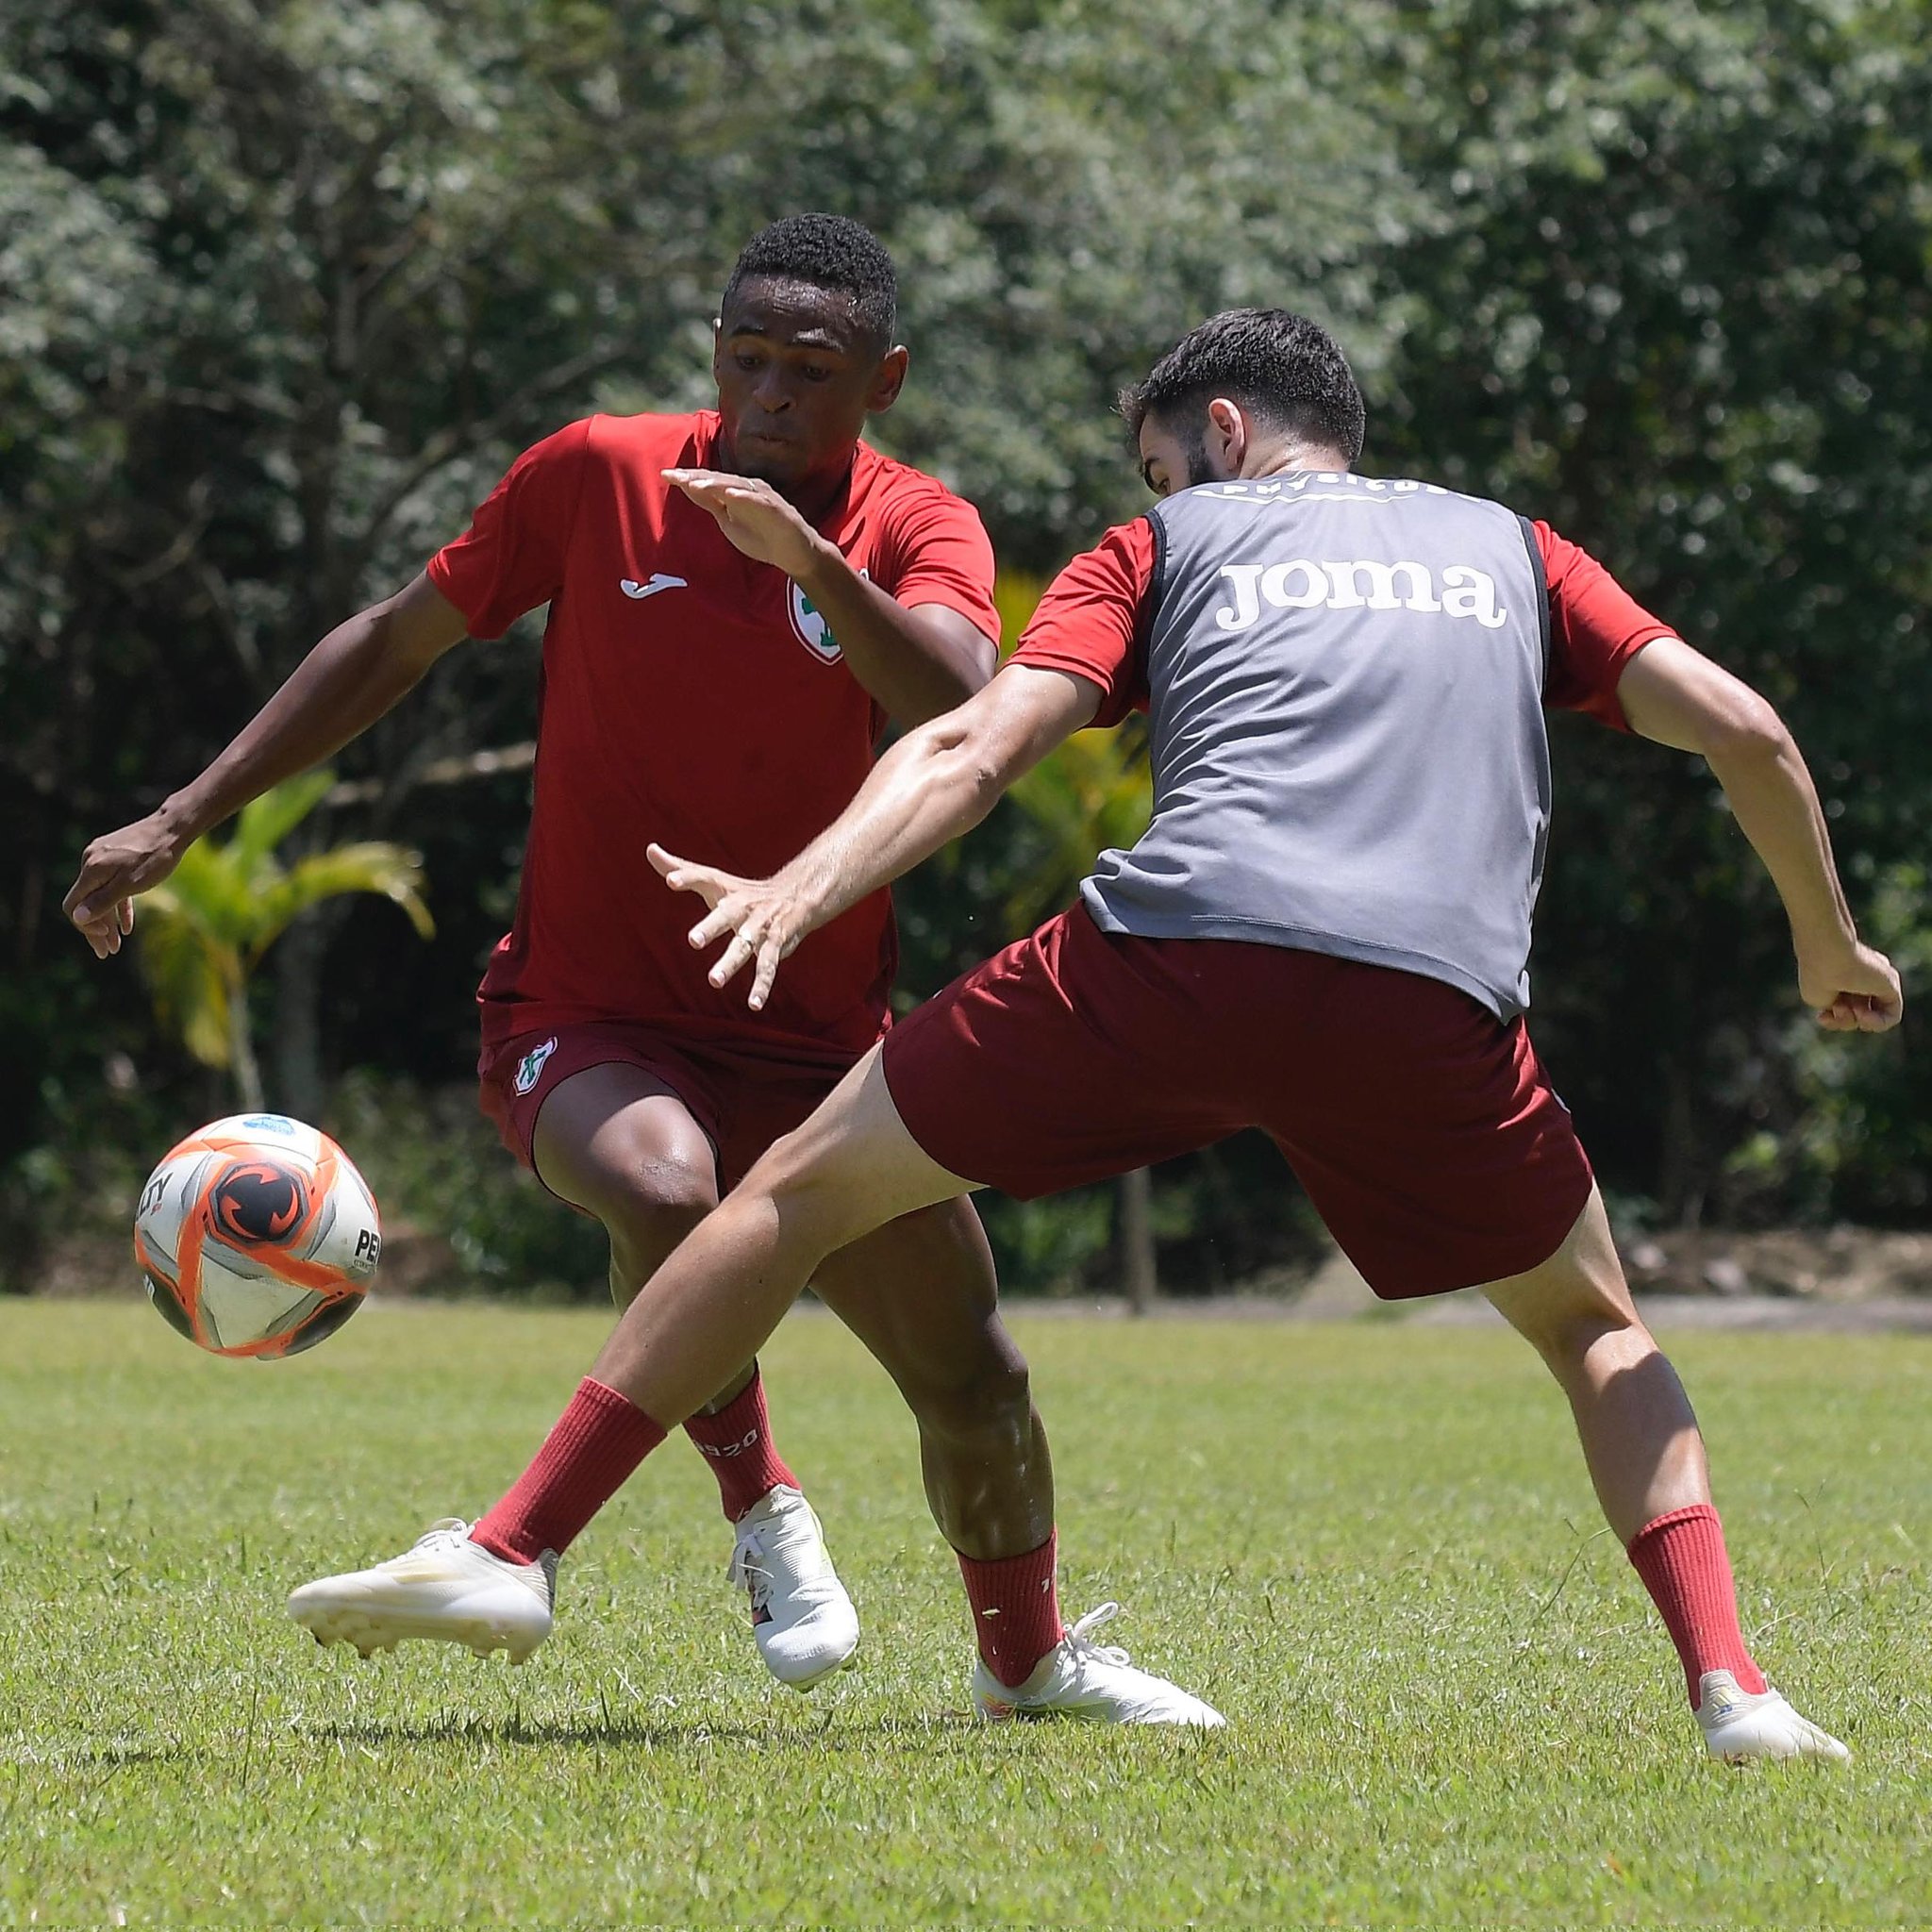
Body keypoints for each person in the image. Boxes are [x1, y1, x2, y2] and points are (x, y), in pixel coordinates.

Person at [291, 307, 1902, 1758]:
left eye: (1156, 459)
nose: (1157, 485)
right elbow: (1747, 729)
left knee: (787, 1195)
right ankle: (1736, 1693)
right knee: (1596, 1327)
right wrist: (1829, 941)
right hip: (1435, 997)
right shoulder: (1515, 552)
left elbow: (977, 744)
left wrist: (802, 888)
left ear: (1215, 433)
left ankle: (512, 1549)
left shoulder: (1162, 545)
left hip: (1174, 957)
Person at [69, 215, 1216, 1722]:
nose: (771, 398)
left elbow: (959, 703)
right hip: (585, 1011)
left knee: (978, 1376)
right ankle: (760, 1505)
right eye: (748, 361)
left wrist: (808, 560)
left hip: (813, 1036)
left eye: (814, 372)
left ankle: (1029, 1668)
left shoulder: (918, 525)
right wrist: (181, 813)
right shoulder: (599, 473)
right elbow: (397, 640)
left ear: (887, 379)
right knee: (668, 1189)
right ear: (713, 356)